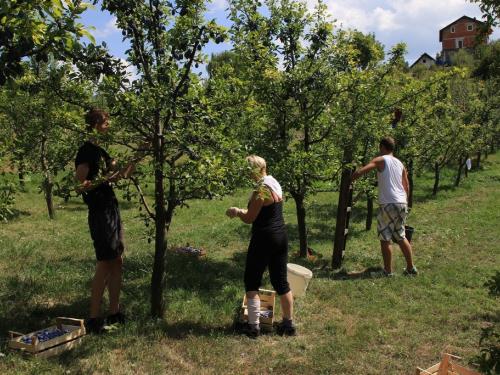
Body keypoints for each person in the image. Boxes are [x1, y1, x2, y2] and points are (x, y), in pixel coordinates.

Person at [75, 109, 150, 334]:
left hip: (111, 208)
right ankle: (94, 319)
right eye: (107, 123)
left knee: (117, 261)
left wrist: (141, 150)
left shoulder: (101, 152)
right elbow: (79, 185)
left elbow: (123, 173)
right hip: (100, 212)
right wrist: (105, 178)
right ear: (97, 125)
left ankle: (114, 313)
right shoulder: (87, 152)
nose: (110, 126)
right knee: (105, 263)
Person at [226, 155, 295, 338]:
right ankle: (288, 325)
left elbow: (250, 218)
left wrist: (237, 212)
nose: (246, 176)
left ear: (253, 170)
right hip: (281, 236)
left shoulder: (261, 190)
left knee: (252, 280)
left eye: (247, 172)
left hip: (265, 238)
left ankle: (253, 327)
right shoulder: (273, 182)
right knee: (281, 281)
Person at [350, 137, 418, 277]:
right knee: (400, 235)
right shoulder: (400, 164)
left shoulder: (381, 160)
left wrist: (349, 180)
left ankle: (387, 271)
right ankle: (411, 268)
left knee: (385, 237)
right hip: (402, 203)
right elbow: (406, 185)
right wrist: (405, 203)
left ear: (382, 146)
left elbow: (361, 172)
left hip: (389, 203)